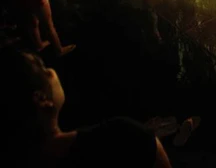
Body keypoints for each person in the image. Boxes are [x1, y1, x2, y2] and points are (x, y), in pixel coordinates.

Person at [0, 48, 172, 167]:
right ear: (42, 100)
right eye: (44, 69)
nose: (51, 70)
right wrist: (145, 137)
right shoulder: (124, 136)